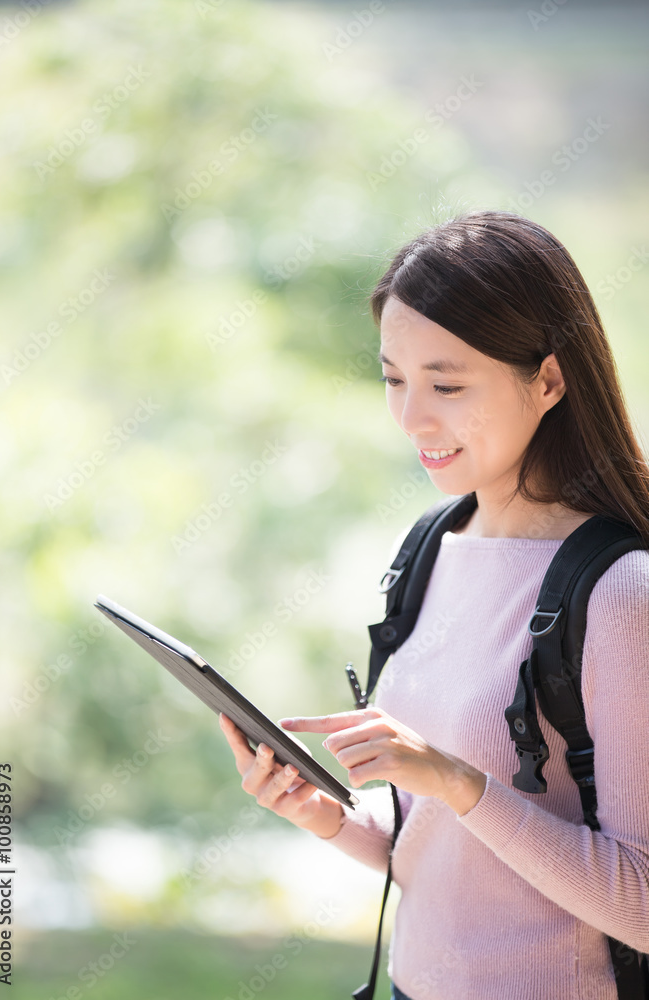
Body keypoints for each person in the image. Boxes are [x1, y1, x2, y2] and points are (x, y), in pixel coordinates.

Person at [219, 210, 649, 1000]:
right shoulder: (432, 545)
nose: (412, 418)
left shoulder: (619, 590)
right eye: (392, 378)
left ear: (548, 380)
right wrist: (331, 818)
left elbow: (642, 902)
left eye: (446, 384)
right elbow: (460, 857)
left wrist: (459, 782)